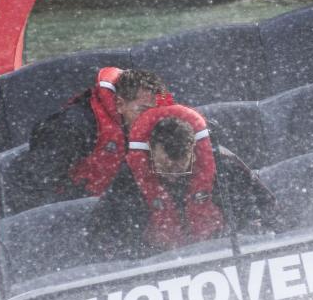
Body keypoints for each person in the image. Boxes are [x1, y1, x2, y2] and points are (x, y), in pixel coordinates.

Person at [84, 105, 280, 261]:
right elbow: (101, 232)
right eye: (164, 167)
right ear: (150, 150)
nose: (172, 177)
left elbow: (265, 208)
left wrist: (250, 237)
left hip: (223, 256)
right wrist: (134, 258)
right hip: (157, 265)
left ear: (194, 152)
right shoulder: (130, 178)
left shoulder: (224, 165)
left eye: (179, 168)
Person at [20, 67, 168, 204]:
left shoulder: (153, 131)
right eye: (142, 110)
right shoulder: (75, 126)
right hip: (61, 209)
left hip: (102, 209)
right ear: (120, 104)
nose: (149, 119)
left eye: (154, 113)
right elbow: (33, 184)